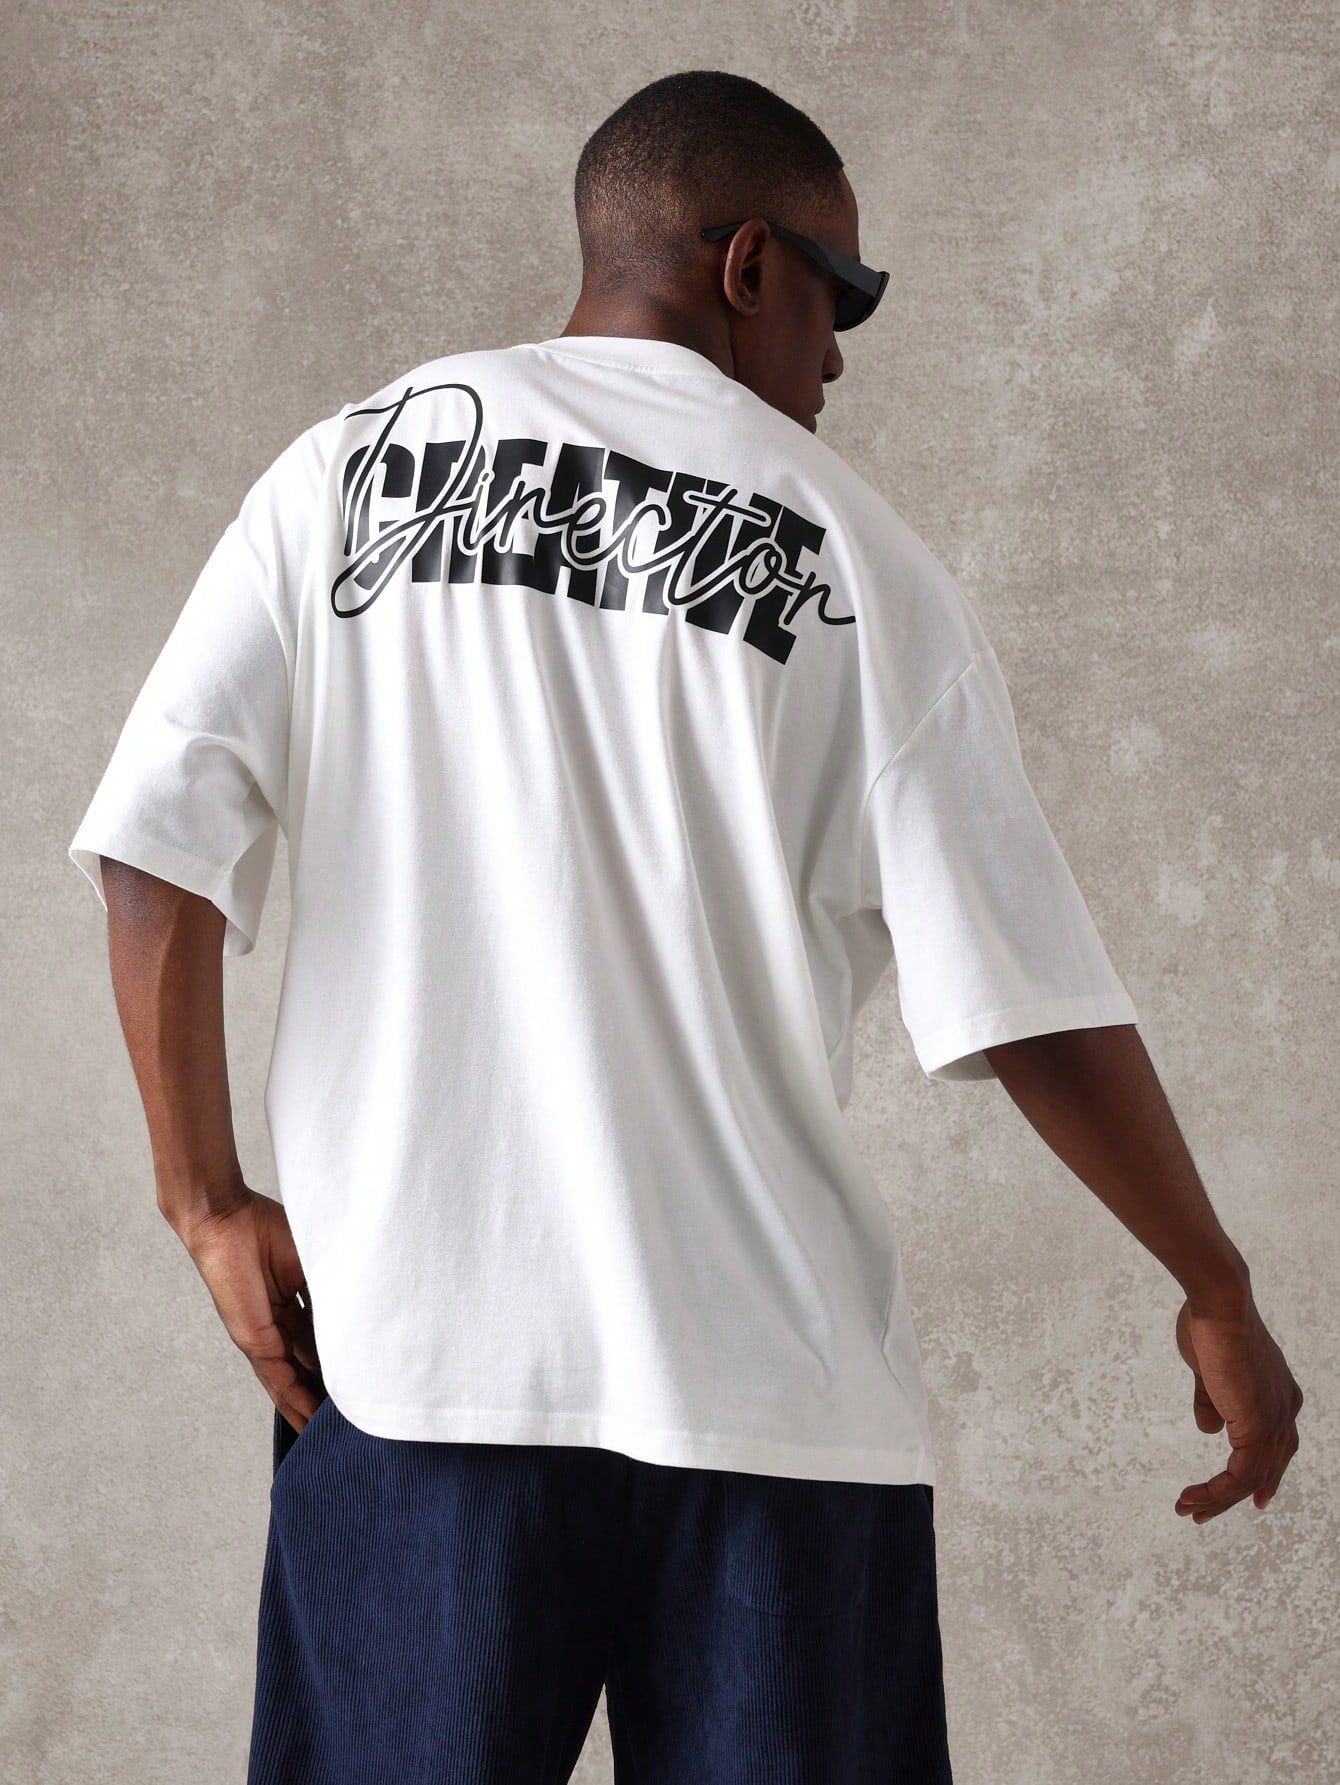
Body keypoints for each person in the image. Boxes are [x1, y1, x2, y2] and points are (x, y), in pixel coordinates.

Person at [68, 68, 1301, 1785]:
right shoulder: (867, 565)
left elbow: (156, 848)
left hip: (422, 1372)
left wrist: (203, 1199)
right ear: (747, 266)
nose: (842, 358)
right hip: (769, 1407)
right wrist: (1213, 1278)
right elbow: (1025, 998)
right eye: (843, 295)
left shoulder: (344, 475)